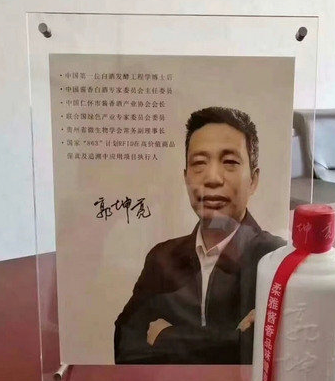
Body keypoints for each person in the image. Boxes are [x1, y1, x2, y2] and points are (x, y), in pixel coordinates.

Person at [114, 106, 285, 365]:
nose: (212, 178)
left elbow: (269, 351)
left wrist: (167, 337)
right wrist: (232, 340)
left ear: (253, 180)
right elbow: (125, 344)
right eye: (198, 164)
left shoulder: (274, 259)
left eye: (230, 162)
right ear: (185, 178)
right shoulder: (162, 258)